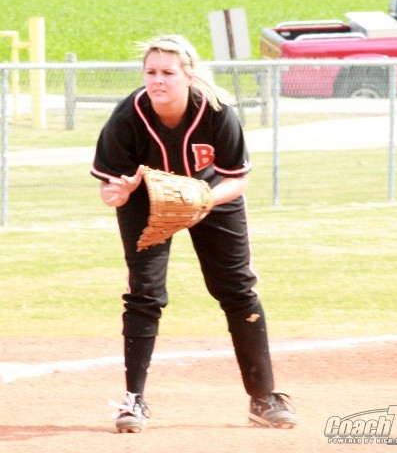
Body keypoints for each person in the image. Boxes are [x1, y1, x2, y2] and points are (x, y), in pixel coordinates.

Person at [90, 34, 297, 433]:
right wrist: (119, 192)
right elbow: (110, 190)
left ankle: (263, 398)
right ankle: (133, 401)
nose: (158, 80)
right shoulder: (128, 116)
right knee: (145, 292)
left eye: (168, 72)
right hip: (146, 200)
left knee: (237, 289)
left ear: (189, 76)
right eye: (151, 72)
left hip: (211, 194)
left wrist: (200, 200)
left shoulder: (216, 112)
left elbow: (237, 179)